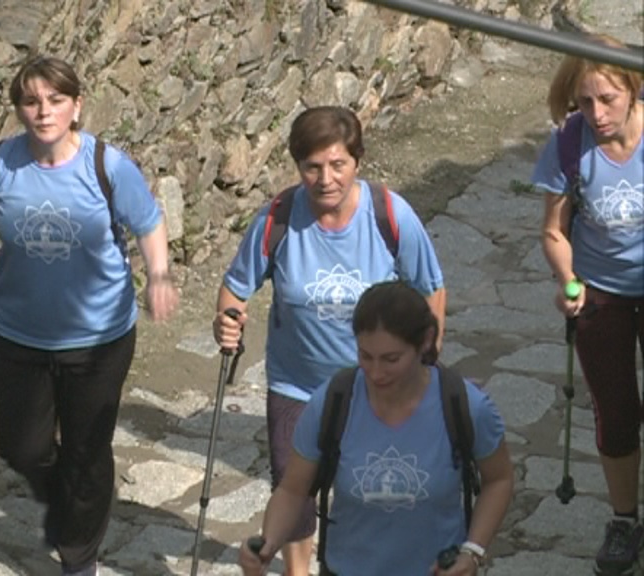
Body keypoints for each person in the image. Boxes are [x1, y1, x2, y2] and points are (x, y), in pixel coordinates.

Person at [0, 55, 178, 576]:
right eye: (31, 101)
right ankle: (68, 492)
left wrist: (158, 275)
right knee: (24, 450)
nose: (43, 111)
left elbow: (149, 224)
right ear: (19, 109)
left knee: (87, 451)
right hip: (18, 334)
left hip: (99, 337)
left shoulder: (107, 166)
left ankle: (78, 556)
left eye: (55, 100)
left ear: (76, 104)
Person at [213, 106, 447, 575]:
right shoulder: (278, 218)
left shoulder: (389, 214)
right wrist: (226, 321)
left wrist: (424, 360)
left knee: (373, 491)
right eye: (312, 167)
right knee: (293, 490)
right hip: (296, 384)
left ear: (357, 161)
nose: (325, 179)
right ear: (298, 167)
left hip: (376, 386)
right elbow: (236, 286)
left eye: (337, 164)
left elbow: (430, 288)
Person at [238, 281, 514, 576]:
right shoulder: (332, 402)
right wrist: (268, 545)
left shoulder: (465, 406)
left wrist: (473, 551)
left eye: (391, 359)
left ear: (425, 341)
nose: (375, 372)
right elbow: (293, 490)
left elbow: (498, 480)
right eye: (365, 356)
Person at [531, 34, 644, 576]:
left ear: (633, 89)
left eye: (609, 99)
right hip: (601, 292)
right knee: (616, 413)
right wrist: (567, 279)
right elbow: (553, 231)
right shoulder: (570, 144)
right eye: (584, 101)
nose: (597, 114)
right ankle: (625, 520)